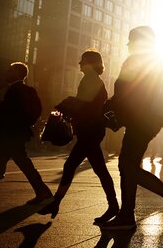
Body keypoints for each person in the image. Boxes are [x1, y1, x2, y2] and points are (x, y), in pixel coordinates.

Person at [101, 26, 163, 230]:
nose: (128, 44)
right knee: (128, 165)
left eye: (131, 40)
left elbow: (127, 93)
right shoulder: (155, 62)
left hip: (140, 121)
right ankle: (127, 215)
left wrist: (110, 106)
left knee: (127, 166)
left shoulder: (135, 61)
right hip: (148, 121)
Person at [39, 50, 119, 223]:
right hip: (91, 131)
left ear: (90, 63)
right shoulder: (92, 80)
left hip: (90, 131)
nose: (79, 63)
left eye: (82, 61)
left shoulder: (91, 80)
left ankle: (57, 202)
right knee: (94, 168)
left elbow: (84, 105)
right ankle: (57, 202)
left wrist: (66, 104)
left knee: (78, 166)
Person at [0, 62, 52, 206]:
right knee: (0, 164)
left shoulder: (14, 90)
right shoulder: (26, 90)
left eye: (10, 71)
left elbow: (7, 113)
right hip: (15, 134)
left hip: (9, 135)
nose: (6, 73)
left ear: (18, 74)